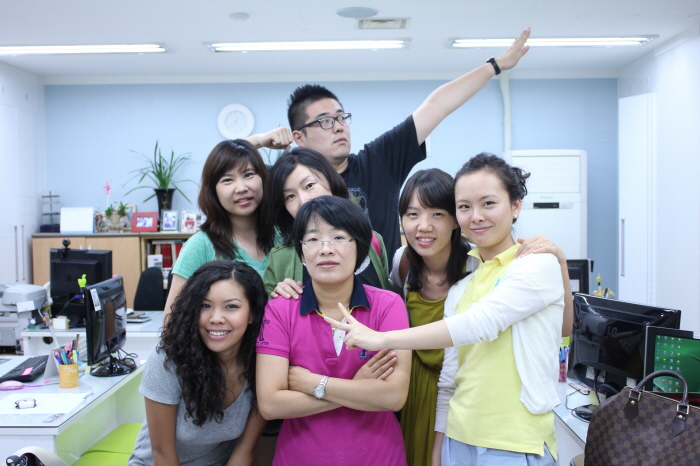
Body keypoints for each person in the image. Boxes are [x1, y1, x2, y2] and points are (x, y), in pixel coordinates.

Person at [327, 154, 566, 465]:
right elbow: (450, 377)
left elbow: (480, 323)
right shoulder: (460, 285)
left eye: (488, 204)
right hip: (457, 434)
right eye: (465, 206)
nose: (476, 216)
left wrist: (382, 338)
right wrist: (439, 449)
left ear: (516, 205)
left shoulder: (533, 263)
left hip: (514, 441)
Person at [392, 168, 573, 466]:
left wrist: (560, 262)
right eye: (412, 214)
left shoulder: (499, 265)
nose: (424, 225)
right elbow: (450, 372)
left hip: (507, 429)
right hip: (440, 409)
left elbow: (556, 327)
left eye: (437, 213)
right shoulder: (408, 265)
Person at [256, 195, 411, 466]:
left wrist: (314, 384)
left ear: (359, 248)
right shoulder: (280, 309)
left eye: (339, 238)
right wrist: (357, 387)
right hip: (300, 458)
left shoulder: (388, 305)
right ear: (302, 253)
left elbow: (394, 397)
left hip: (378, 457)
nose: (326, 249)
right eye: (313, 239)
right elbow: (270, 405)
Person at [129, 260, 267, 466]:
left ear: (252, 314)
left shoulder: (262, 362)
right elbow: (162, 453)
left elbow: (245, 449)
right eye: (205, 306)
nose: (216, 318)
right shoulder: (168, 359)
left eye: (231, 307)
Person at [164, 139, 279, 321]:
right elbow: (171, 322)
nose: (241, 188)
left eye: (248, 174)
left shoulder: (285, 236)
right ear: (213, 191)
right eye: (227, 180)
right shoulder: (201, 246)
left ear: (264, 179)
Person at [263, 147, 389, 299]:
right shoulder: (280, 259)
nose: (303, 200)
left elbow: (388, 296)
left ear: (330, 180)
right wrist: (278, 298)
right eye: (290, 196)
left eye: (309, 185)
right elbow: (269, 311)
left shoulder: (372, 240)